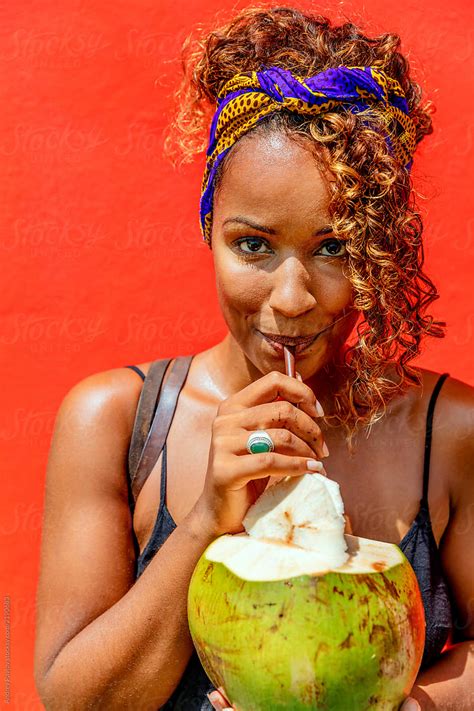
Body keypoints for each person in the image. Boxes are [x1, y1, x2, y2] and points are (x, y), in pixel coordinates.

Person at [34, 6, 473, 710]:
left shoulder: (449, 434)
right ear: (210, 228)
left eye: (333, 247)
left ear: (377, 249)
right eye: (253, 245)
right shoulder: (116, 422)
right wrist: (209, 516)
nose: (292, 296)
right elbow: (73, 698)